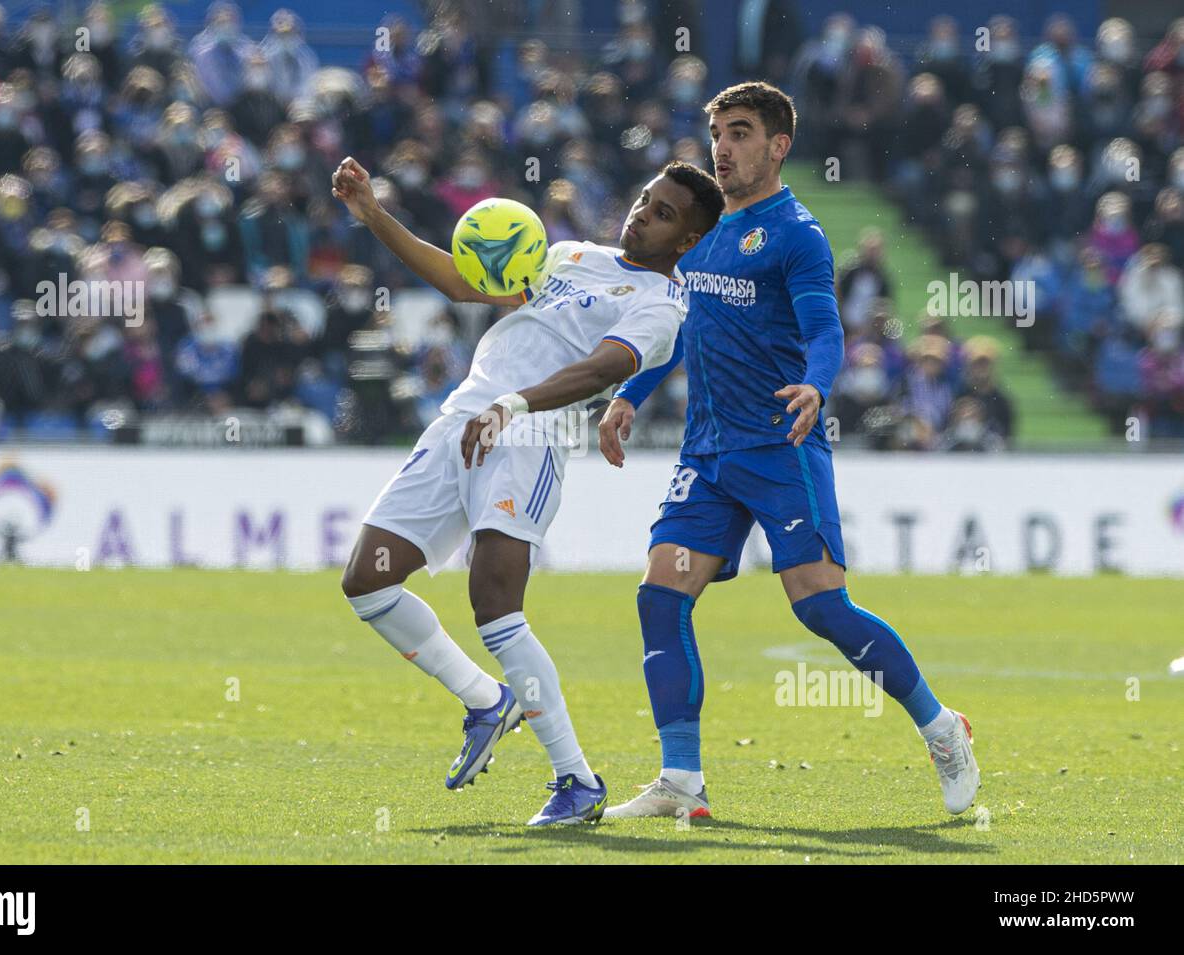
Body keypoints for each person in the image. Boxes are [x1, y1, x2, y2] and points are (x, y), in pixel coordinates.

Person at [599, 81, 980, 820]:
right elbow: (676, 330)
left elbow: (827, 330)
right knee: (660, 595)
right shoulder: (700, 228)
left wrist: (815, 385)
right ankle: (681, 777)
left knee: (822, 608)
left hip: (780, 445)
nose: (723, 146)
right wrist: (628, 395)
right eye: (717, 132)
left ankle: (940, 726)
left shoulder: (796, 234)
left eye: (740, 132)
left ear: (778, 146)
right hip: (706, 454)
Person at [332, 154, 723, 825]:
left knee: (493, 602)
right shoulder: (569, 253)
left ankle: (576, 779)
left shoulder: (661, 308)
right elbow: (464, 281)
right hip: (462, 418)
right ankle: (486, 699)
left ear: (687, 241)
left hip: (527, 437)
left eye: (663, 214)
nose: (643, 215)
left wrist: (514, 406)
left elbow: (602, 368)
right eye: (644, 199)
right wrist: (374, 215)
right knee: (367, 581)